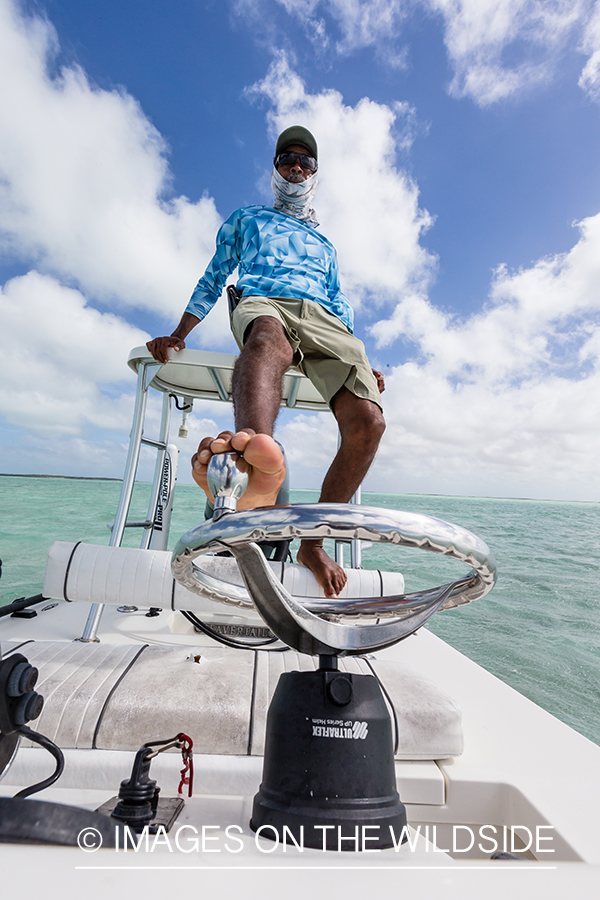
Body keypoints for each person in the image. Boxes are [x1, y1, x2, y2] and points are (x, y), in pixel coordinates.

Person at [147, 126, 385, 597]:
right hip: (265, 301)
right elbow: (215, 275)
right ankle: (258, 470)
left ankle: (312, 545)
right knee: (265, 342)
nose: (296, 167)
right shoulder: (247, 218)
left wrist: (358, 358)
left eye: (305, 163)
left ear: (314, 175)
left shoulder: (327, 246)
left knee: (369, 421)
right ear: (275, 170)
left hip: (323, 320)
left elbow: (339, 303)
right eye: (286, 160)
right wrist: (179, 332)